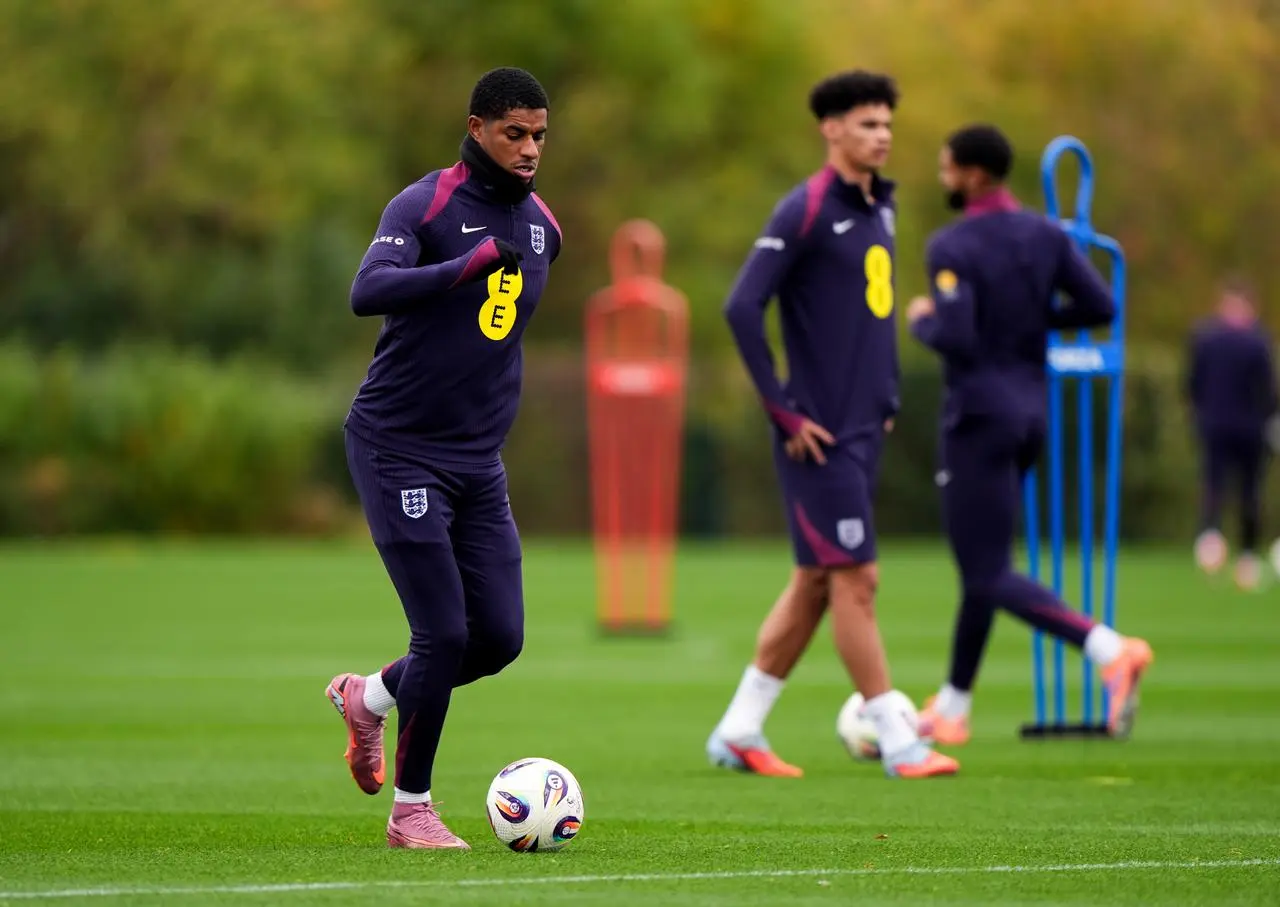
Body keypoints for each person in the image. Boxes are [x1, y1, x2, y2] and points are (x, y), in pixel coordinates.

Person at [324, 67, 561, 849]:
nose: (529, 149)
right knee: (444, 635)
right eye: (513, 133)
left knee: (499, 637)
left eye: (538, 135)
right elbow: (369, 291)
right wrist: (462, 265)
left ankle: (370, 698)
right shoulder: (425, 203)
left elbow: (493, 340)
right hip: (398, 448)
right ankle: (411, 811)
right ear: (476, 126)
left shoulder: (544, 228)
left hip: (476, 463)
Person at [707, 70, 959, 780]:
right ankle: (899, 740)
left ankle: (738, 729)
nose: (881, 136)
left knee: (818, 582)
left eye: (887, 125)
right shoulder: (806, 208)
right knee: (858, 579)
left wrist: (880, 404)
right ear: (831, 128)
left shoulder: (881, 206)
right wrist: (783, 409)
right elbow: (739, 308)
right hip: (814, 433)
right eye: (867, 123)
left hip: (861, 427)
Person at [906, 124, 1153, 747]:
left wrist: (922, 322)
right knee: (983, 569)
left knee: (987, 572)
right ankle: (954, 707)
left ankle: (1109, 649)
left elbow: (958, 340)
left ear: (972, 174)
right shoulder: (1045, 234)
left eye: (946, 169)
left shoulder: (951, 246)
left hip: (979, 419)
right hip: (1030, 414)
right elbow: (1100, 306)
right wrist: (1038, 321)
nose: (943, 179)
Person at [1185, 279, 1278, 590]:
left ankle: (1224, 547)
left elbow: (1192, 384)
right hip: (1243, 427)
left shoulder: (1208, 338)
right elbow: (1268, 391)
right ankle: (1237, 553)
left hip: (1226, 426)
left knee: (1230, 488)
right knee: (1236, 488)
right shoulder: (1254, 341)